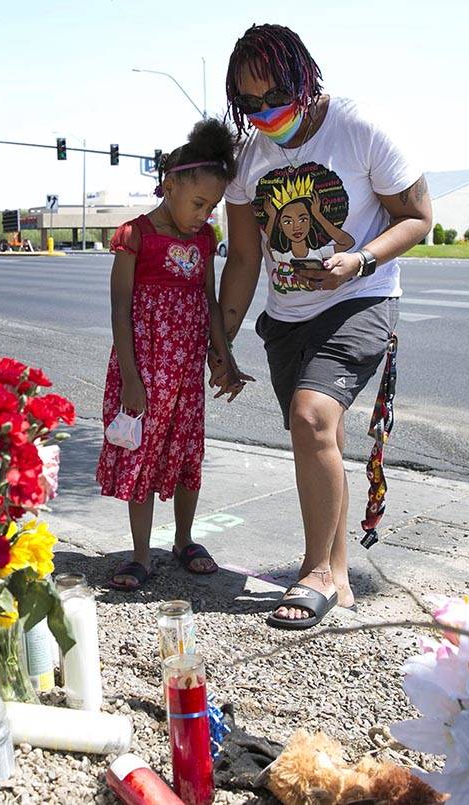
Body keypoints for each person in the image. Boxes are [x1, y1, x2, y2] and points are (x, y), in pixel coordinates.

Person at [216, 24, 432, 629]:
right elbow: (244, 258)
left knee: (313, 419)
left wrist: (358, 260)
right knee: (320, 441)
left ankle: (311, 573)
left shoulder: (360, 129)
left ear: (304, 80)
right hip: (286, 318)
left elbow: (418, 217)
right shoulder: (250, 160)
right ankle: (337, 579)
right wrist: (222, 342)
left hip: (360, 299)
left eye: (274, 97)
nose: (264, 115)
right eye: (249, 104)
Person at [97, 118, 250, 591]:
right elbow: (120, 309)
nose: (205, 214)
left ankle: (184, 539)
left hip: (184, 371)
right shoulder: (135, 235)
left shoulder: (202, 240)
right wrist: (131, 378)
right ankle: (140, 554)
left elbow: (207, 300)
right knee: (140, 454)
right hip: (143, 366)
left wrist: (224, 356)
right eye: (199, 203)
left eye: (213, 207)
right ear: (170, 185)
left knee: (187, 453)